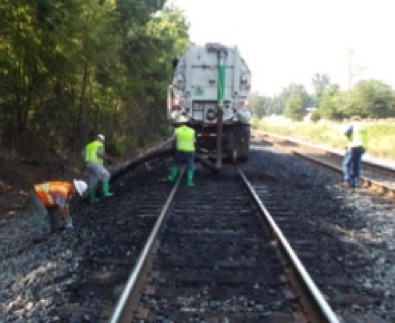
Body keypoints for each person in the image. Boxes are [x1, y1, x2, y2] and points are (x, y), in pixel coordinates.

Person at [83, 134, 114, 203]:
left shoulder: (88, 146)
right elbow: (100, 154)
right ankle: (105, 192)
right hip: (95, 163)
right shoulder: (99, 144)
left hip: (88, 165)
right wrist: (108, 160)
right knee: (106, 174)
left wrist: (85, 168)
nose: (102, 142)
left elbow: (84, 156)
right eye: (102, 141)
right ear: (100, 139)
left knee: (93, 181)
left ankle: (93, 199)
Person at [168, 115, 196, 186]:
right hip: (190, 151)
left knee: (176, 164)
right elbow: (194, 141)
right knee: (190, 165)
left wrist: (173, 148)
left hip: (180, 151)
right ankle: (189, 182)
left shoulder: (177, 131)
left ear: (179, 123)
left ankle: (172, 179)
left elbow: (173, 141)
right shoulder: (192, 131)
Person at [341, 116, 367, 188]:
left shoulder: (352, 125)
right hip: (362, 147)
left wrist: (346, 144)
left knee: (346, 164)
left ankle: (347, 182)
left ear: (352, 120)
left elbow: (346, 133)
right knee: (356, 165)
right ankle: (356, 182)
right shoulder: (364, 126)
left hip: (352, 146)